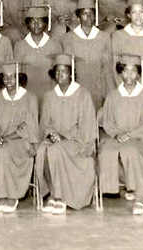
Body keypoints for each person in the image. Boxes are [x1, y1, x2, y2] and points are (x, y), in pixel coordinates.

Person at [97, 54, 143, 216]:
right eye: (125, 71)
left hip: (141, 138)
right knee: (106, 151)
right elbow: (108, 121)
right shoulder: (113, 95)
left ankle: (139, 196)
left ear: (139, 74)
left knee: (130, 150)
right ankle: (134, 189)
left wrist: (131, 134)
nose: (129, 75)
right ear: (120, 73)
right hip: (117, 137)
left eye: (133, 71)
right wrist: (117, 133)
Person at [35, 55, 97, 213]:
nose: (60, 75)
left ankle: (61, 197)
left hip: (77, 141)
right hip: (54, 139)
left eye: (64, 71)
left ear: (71, 73)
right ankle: (52, 193)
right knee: (42, 150)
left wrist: (66, 137)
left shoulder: (83, 95)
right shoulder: (49, 95)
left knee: (56, 149)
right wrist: (51, 134)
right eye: (57, 71)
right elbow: (44, 123)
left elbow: (87, 125)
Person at [0, 62, 39, 213]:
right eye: (5, 77)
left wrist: (8, 137)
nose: (9, 81)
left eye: (13, 77)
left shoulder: (30, 98)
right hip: (1, 139)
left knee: (2, 152)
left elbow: (30, 126)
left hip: (22, 141)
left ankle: (10, 196)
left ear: (20, 78)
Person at [60, 0, 113, 113]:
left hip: (98, 89)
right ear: (78, 17)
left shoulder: (104, 37)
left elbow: (107, 69)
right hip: (77, 89)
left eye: (91, 13)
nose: (88, 17)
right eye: (84, 13)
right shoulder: (68, 38)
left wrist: (108, 94)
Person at [14, 5, 64, 98]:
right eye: (32, 21)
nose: (36, 24)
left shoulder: (55, 45)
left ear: (45, 24)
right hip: (27, 95)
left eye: (40, 21)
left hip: (50, 94)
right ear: (27, 24)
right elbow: (18, 75)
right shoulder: (20, 46)